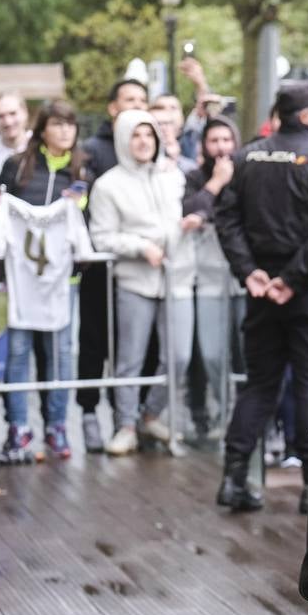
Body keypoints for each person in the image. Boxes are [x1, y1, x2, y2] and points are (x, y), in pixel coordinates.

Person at [213, 81, 308, 514]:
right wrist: (289, 278)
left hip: (263, 290)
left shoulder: (246, 155)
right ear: (306, 115)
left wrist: (251, 273)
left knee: (261, 384)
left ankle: (233, 479)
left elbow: (226, 218)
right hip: (305, 291)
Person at [0, 100, 92, 463]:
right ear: (43, 128)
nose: (66, 131)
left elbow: (89, 225)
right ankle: (18, 425)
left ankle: (57, 424)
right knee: (18, 352)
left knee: (61, 353)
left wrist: (78, 206)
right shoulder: (16, 166)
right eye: (58, 124)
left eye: (71, 124)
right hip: (21, 282)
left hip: (63, 282)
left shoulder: (83, 170)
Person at [88, 110, 191, 455]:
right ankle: (126, 425)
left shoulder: (173, 177)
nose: (144, 141)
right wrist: (139, 247)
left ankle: (151, 414)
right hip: (135, 280)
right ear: (123, 140)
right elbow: (101, 237)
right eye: (135, 134)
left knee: (179, 356)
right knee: (129, 359)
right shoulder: (108, 185)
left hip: (177, 278)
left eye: (149, 134)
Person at [75, 80, 150, 452]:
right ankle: (89, 412)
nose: (136, 105)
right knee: (93, 342)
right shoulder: (91, 152)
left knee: (133, 346)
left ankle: (132, 416)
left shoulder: (151, 153)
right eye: (129, 100)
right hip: (99, 269)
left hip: (138, 272)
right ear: (112, 107)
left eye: (142, 100)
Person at [183, 115, 243, 439]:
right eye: (213, 141)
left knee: (243, 351)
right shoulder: (194, 177)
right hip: (205, 276)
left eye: (226, 140)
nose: (221, 147)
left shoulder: (247, 173)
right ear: (204, 146)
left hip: (241, 278)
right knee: (210, 352)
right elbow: (189, 210)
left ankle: (235, 417)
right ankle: (213, 412)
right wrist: (215, 184)